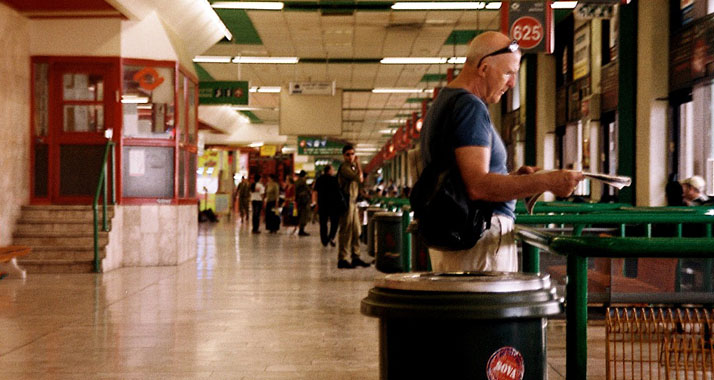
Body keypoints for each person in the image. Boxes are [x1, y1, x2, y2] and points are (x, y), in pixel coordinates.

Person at [420, 31, 584, 272]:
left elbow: (460, 181)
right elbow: (477, 186)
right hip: (480, 239)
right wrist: (547, 182)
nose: (512, 83)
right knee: (486, 310)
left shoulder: (445, 102)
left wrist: (518, 180)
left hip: (459, 237)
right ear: (484, 68)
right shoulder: (470, 107)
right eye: (508, 73)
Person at [337, 145, 372, 269]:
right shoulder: (345, 168)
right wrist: (358, 165)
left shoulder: (352, 167)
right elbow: (359, 178)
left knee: (356, 230)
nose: (350, 156)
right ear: (344, 156)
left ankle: (356, 256)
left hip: (353, 202)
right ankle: (343, 258)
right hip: (346, 203)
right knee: (346, 231)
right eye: (348, 154)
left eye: (352, 154)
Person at [314, 165, 341, 247]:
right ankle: (331, 237)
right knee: (334, 222)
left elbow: (315, 192)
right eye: (332, 169)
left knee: (323, 223)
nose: (333, 171)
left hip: (322, 204)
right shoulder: (334, 179)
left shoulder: (319, 179)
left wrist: (315, 203)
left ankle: (324, 240)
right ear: (329, 171)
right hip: (333, 204)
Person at [294, 170, 312, 236]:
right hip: (303, 201)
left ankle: (301, 229)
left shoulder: (297, 181)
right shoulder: (302, 181)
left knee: (301, 215)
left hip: (299, 201)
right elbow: (306, 190)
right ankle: (301, 230)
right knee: (303, 215)